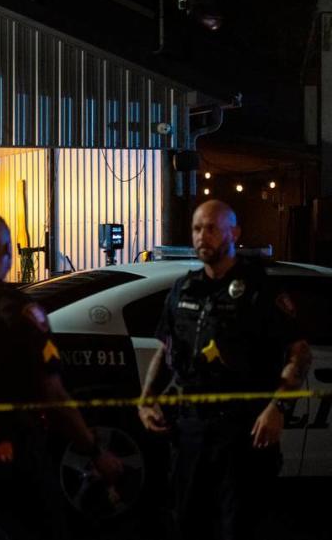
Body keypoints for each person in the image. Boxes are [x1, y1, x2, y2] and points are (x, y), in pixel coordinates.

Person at [0, 212, 123, 540]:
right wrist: (94, 452)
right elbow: (53, 393)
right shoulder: (13, 309)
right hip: (5, 447)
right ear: (5, 251)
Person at [137, 200, 312, 540]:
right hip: (190, 430)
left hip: (242, 433)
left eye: (212, 228)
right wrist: (146, 399)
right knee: (188, 523)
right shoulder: (184, 288)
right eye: (197, 229)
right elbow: (165, 347)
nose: (203, 236)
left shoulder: (260, 290)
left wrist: (278, 409)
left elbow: (300, 353)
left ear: (234, 232)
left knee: (240, 527)